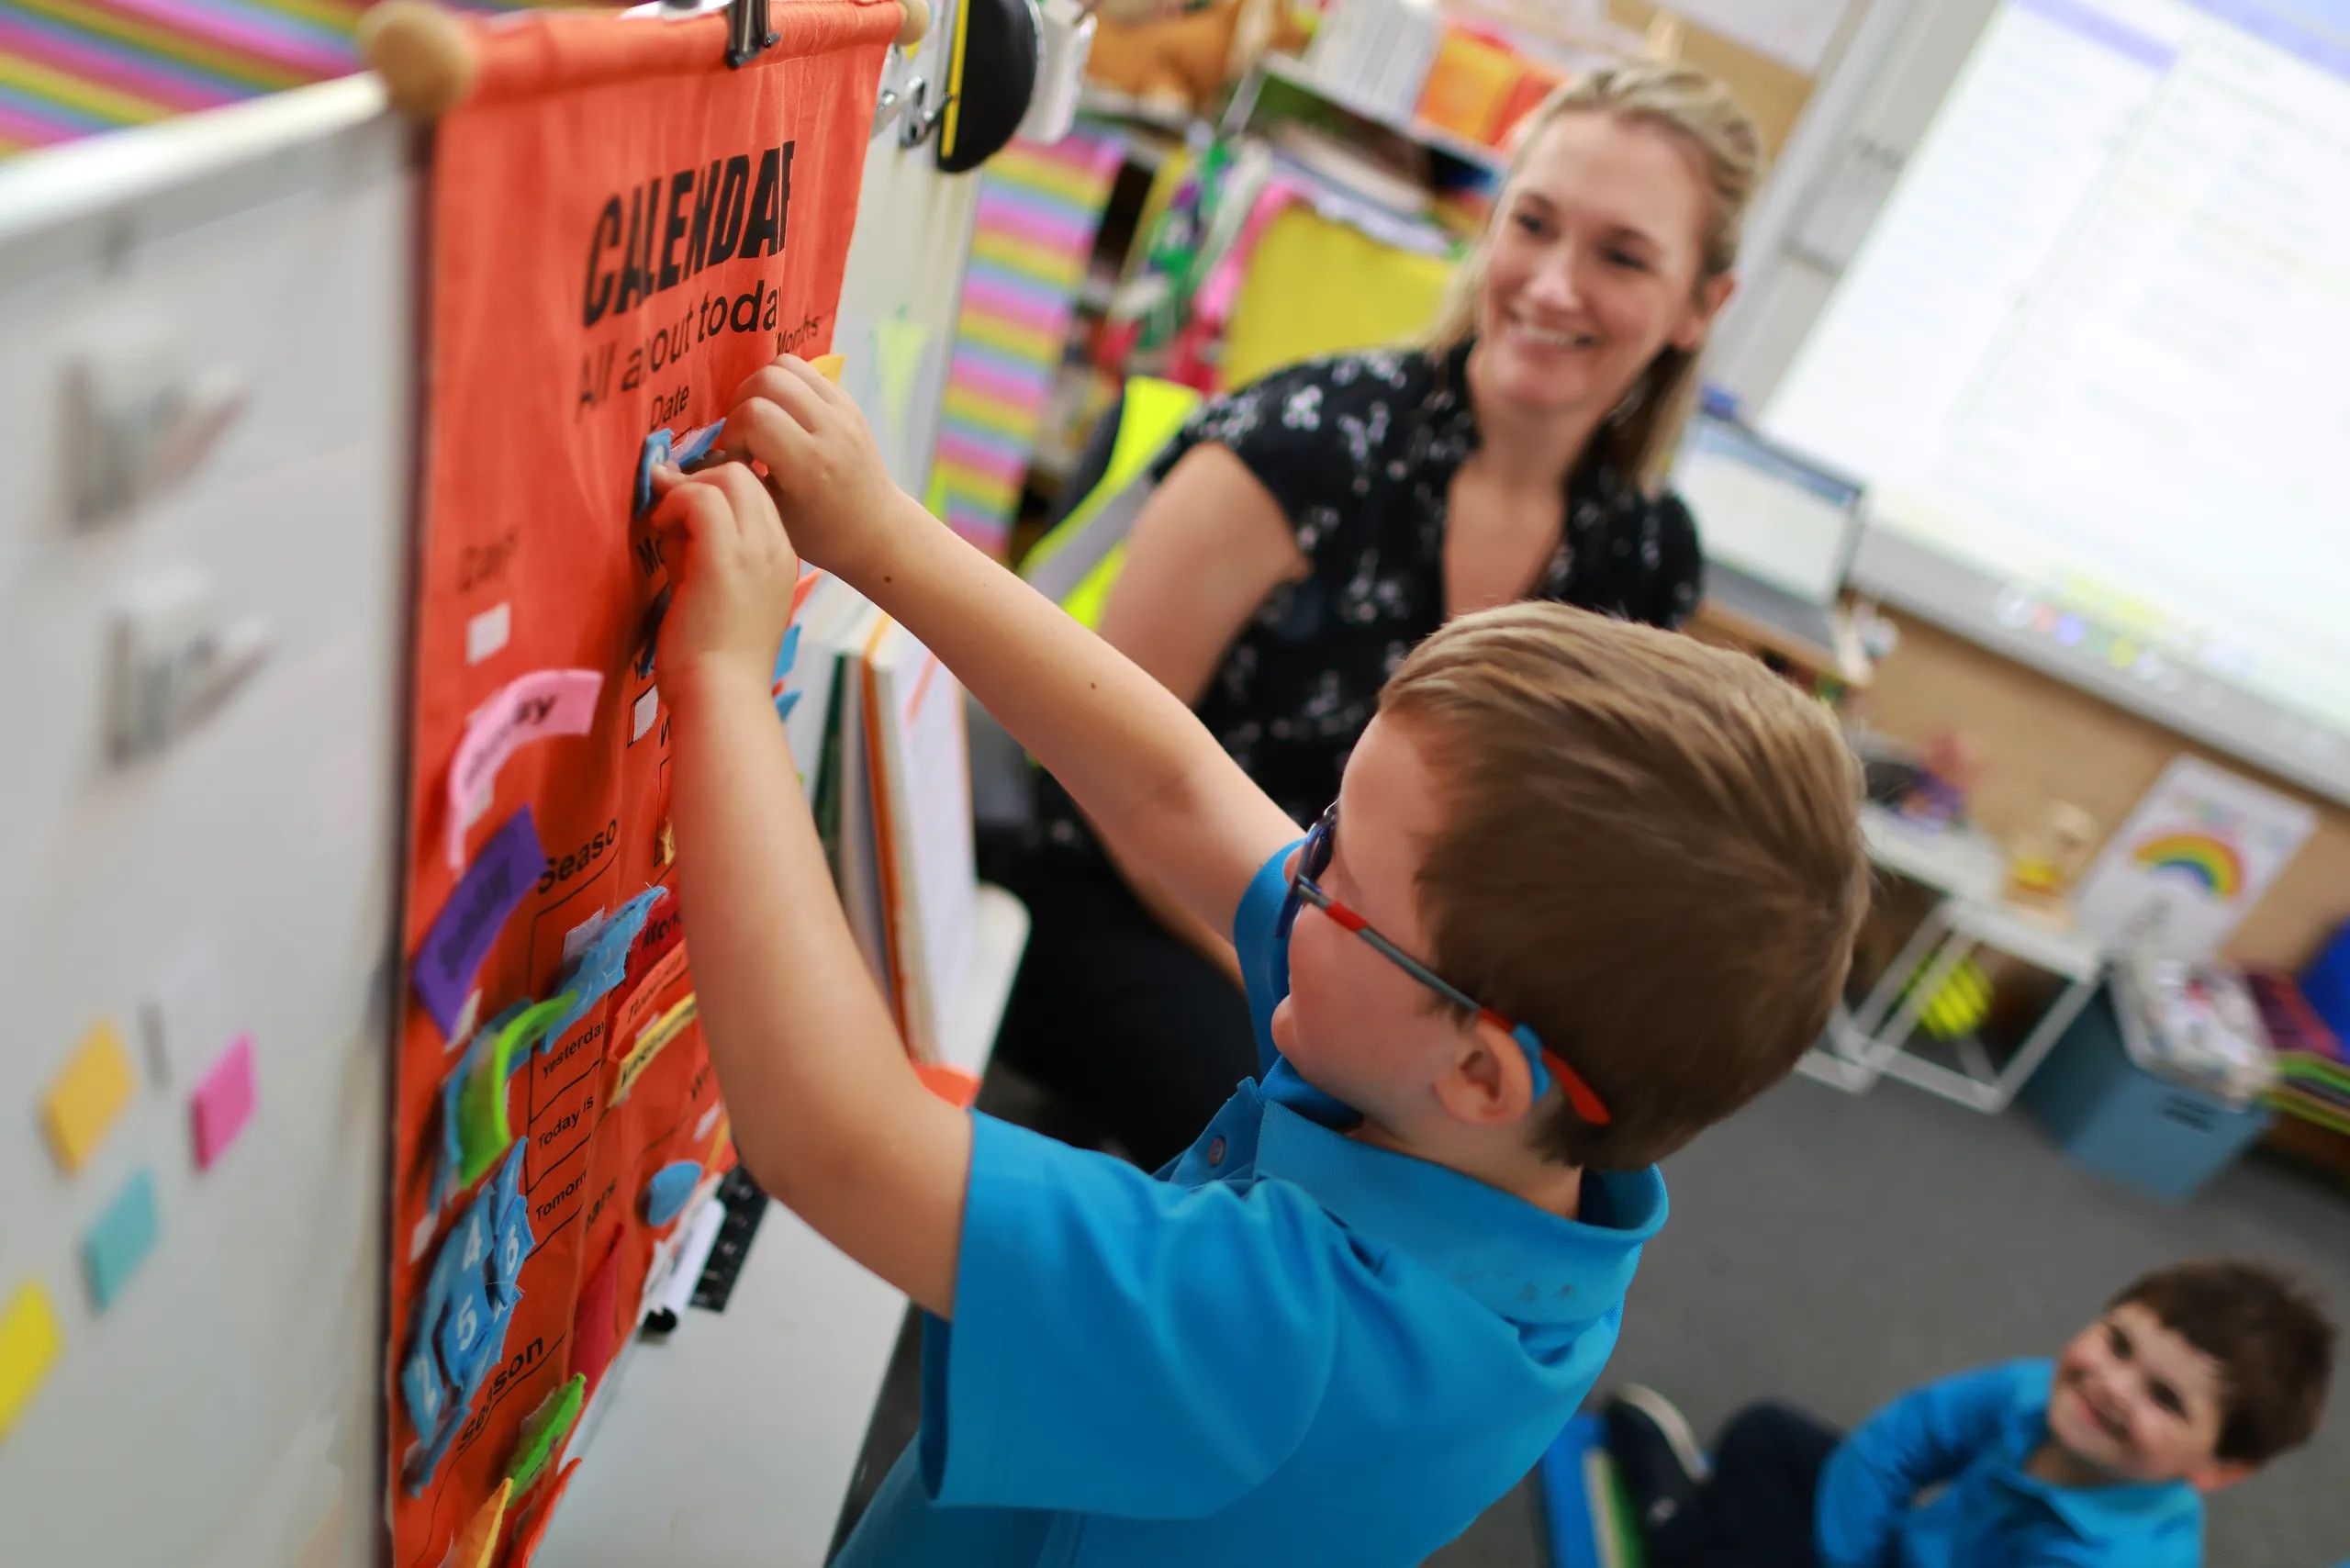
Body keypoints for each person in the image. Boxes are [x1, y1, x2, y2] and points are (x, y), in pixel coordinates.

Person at [648, 353, 1865, 1566]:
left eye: (1342, 877)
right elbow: (1173, 787)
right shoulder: (1486, 1118)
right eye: (1327, 825)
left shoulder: (1308, 1333)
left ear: (1486, 1073)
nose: (1301, 873)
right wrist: (875, 534)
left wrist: (720, 679)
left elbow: (835, 1140)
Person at [991, 62, 1764, 1167]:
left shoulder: (1645, 556)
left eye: (1621, 254)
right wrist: (1326, 1001)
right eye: (1531, 224)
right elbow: (1093, 757)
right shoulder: (1305, 442)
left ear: (1701, 304)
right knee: (1326, 1161)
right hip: (1137, 892)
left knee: (1540, 1173)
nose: (1551, 283)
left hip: (1389, 968)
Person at [1603, 1259, 2336, 1568]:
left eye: (2165, 1398)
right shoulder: (2039, 1388)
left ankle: (1676, 1521)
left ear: (2218, 1469)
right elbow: (1899, 1442)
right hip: (1887, 1554)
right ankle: (1697, 1533)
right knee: (1768, 1434)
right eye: (2117, 1344)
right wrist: (1848, 1555)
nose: (2111, 1386)